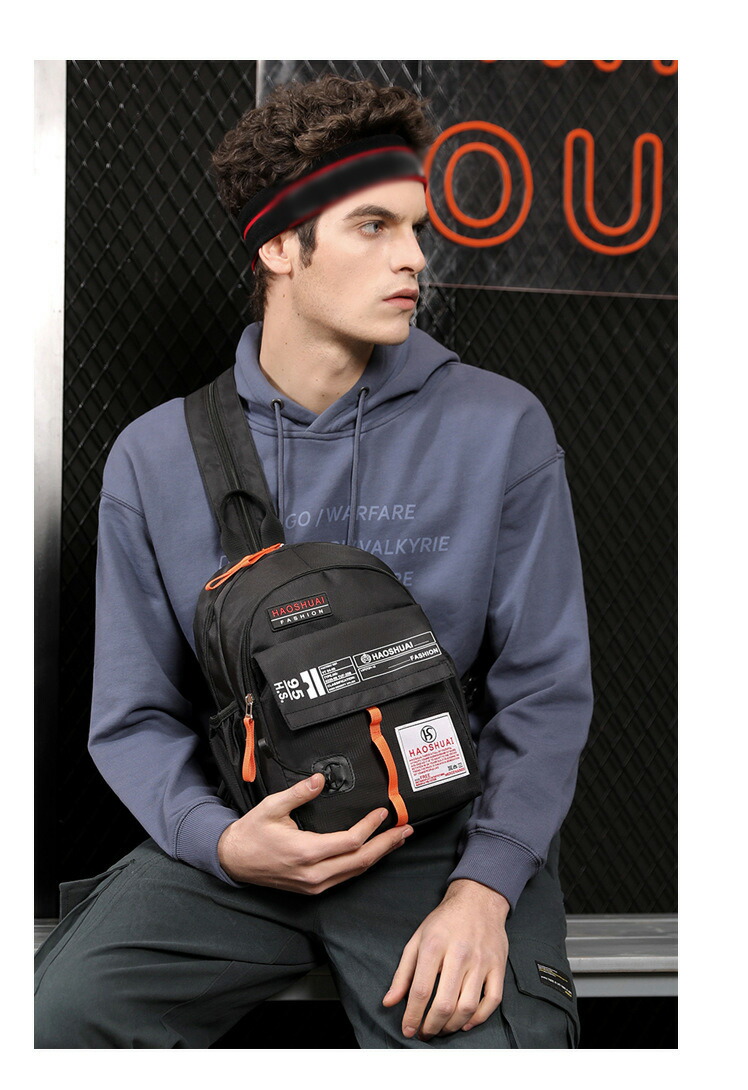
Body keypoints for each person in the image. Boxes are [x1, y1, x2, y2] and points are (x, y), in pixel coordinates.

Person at [34, 75, 593, 1049]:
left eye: (416, 228)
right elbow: (132, 716)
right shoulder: (156, 457)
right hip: (245, 842)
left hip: (439, 844)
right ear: (278, 247)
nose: (413, 258)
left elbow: (546, 692)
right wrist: (221, 839)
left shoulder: (499, 426)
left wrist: (485, 889)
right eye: (373, 226)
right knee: (51, 1022)